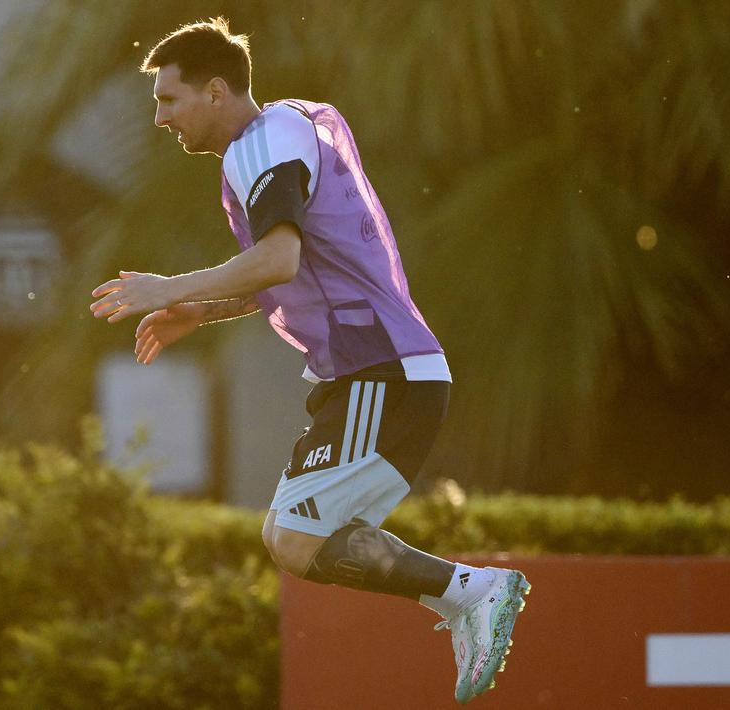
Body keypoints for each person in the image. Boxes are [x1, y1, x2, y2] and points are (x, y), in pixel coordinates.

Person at [88, 17, 530, 705]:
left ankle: (472, 590)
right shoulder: (276, 135)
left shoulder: (260, 144)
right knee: (285, 536)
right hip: (370, 379)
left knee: (294, 537)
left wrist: (167, 286)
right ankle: (461, 594)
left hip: (383, 375)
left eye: (167, 100)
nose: (158, 119)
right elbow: (286, 273)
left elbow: (277, 257)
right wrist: (197, 313)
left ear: (213, 91)